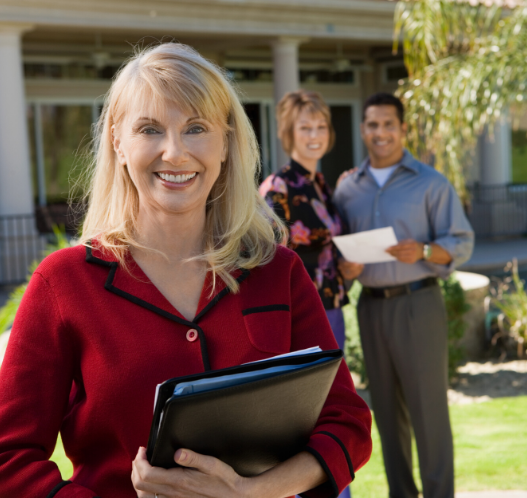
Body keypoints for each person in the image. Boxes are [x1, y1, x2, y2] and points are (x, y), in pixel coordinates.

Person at [0, 43, 371, 498]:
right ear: (117, 140)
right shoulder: (63, 283)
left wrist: (249, 491)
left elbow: (347, 421)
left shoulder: (279, 271)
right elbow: (9, 458)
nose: (174, 153)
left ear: (226, 141)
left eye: (196, 128)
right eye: (150, 129)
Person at [333, 92, 474, 498]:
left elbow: (462, 242)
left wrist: (426, 250)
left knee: (429, 413)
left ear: (403, 129)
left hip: (419, 304)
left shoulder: (430, 183)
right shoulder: (347, 189)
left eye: (389, 125)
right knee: (386, 416)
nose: (381, 133)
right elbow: (339, 249)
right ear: (363, 130)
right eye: (373, 125)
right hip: (371, 308)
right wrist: (346, 270)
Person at [259, 89, 349, 370]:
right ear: (289, 133)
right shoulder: (279, 187)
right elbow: (267, 256)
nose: (315, 135)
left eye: (321, 127)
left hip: (331, 305)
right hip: (302, 312)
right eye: (305, 128)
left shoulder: (320, 185)